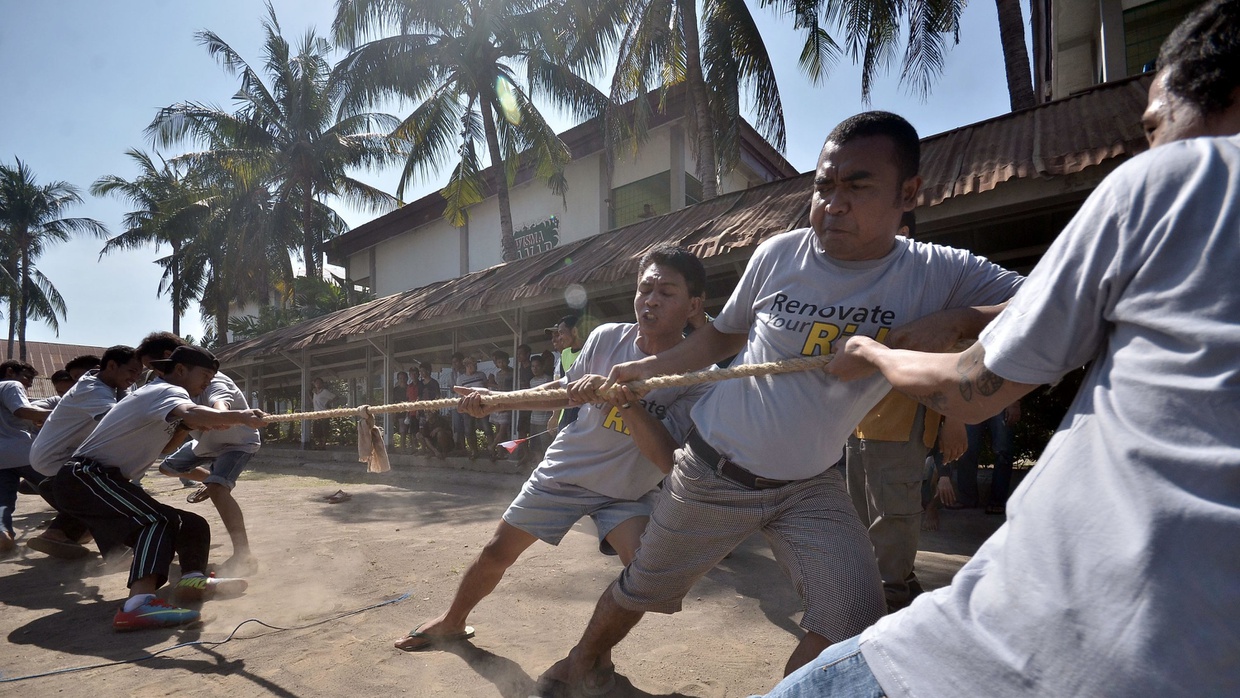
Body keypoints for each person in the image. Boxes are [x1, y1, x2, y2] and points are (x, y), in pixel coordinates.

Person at [769, 4, 1240, 694]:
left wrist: (873, 351)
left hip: (1039, 640)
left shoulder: (1184, 177)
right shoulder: (784, 259)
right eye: (825, 186)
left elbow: (968, 383)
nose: (1153, 146)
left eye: (1155, 124)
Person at [540, 111, 1023, 690]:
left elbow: (1051, 297)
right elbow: (723, 336)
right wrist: (644, 369)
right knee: (645, 586)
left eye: (857, 186)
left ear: (909, 193)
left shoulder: (936, 273)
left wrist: (961, 319)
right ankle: (581, 665)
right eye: (824, 185)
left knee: (854, 614)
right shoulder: (781, 254)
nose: (833, 203)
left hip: (811, 485)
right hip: (714, 471)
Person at [393, 245, 711, 663]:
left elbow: (668, 460)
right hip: (567, 472)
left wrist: (625, 401)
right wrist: (497, 399)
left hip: (628, 491)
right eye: (644, 289)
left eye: (666, 292)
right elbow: (558, 393)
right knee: (496, 552)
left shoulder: (699, 375)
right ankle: (453, 621)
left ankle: (591, 654)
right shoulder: (605, 338)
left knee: (645, 574)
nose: (650, 300)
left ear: (694, 305)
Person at [49, 346, 268, 631]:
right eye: (204, 375)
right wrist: (239, 417)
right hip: (86, 476)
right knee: (157, 522)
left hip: (106, 479)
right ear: (180, 371)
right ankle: (137, 605)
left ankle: (192, 578)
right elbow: (190, 410)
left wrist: (185, 427)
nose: (208, 382)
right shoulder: (166, 391)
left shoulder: (162, 397)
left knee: (191, 524)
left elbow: (164, 447)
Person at [26, 346, 144, 559]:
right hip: (55, 456)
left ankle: (61, 532)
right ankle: (115, 552)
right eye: (132, 371)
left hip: (69, 456)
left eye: (139, 373)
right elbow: (117, 421)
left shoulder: (112, 384)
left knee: (91, 493)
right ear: (111, 366)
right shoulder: (92, 389)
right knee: (97, 493)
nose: (135, 377)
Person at [156, 366, 263, 576]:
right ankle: (212, 482)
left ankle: (244, 556)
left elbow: (220, 404)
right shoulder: (173, 392)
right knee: (167, 467)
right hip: (205, 444)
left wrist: (224, 416)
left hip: (238, 444)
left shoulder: (215, 382)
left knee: (217, 489)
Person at [0, 361, 52, 557]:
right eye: (27, 378)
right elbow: (21, 411)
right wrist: (59, 415)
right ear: (10, 371)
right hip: (23, 452)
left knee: (3, 501)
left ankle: (3, 533)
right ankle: (67, 528)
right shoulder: (10, 385)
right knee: (59, 488)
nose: (29, 384)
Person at [953, 399, 1020, 513]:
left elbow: (1018, 380)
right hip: (974, 399)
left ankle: (998, 501)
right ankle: (967, 498)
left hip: (1003, 399)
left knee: (1003, 451)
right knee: (966, 448)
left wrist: (1014, 403)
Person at [547, 315, 584, 433]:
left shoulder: (589, 352)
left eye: (561, 333)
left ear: (574, 331)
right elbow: (562, 387)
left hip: (583, 415)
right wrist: (555, 415)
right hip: (565, 415)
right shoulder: (565, 354)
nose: (559, 338)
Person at [453, 356, 489, 459]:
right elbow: (460, 393)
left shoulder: (481, 375)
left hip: (482, 406)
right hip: (468, 407)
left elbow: (486, 388)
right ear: (467, 366)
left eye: (476, 364)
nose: (475, 366)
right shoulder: (461, 379)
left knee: (487, 427)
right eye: (473, 364)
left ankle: (492, 450)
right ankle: (474, 451)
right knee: (469, 430)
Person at [485, 350, 514, 460]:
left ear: (507, 361)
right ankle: (500, 452)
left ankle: (492, 446)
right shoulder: (498, 374)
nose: (501, 364)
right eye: (499, 362)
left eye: (503, 361)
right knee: (498, 429)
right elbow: (498, 387)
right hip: (498, 402)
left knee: (503, 429)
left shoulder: (513, 373)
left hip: (507, 403)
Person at [310, 377, 336, 449]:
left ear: (322, 384)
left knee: (324, 429)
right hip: (316, 414)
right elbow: (313, 401)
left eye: (319, 383)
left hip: (324, 413)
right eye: (316, 383)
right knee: (316, 430)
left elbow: (335, 397)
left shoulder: (325, 392)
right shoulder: (315, 393)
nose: (318, 384)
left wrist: (328, 403)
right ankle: (319, 444)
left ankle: (323, 445)